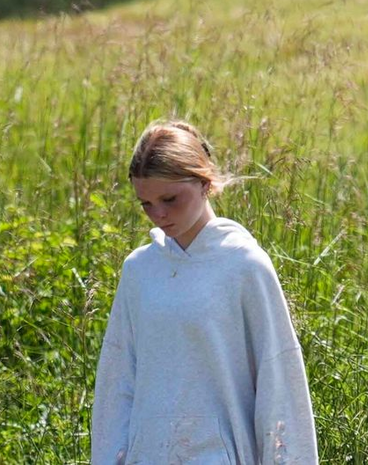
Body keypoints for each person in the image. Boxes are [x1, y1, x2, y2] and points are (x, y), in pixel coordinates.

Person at [91, 120, 318, 464]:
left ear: (204, 182)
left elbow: (279, 380)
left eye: (169, 199)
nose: (158, 214)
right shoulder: (139, 270)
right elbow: (117, 383)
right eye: (146, 203)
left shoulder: (244, 266)